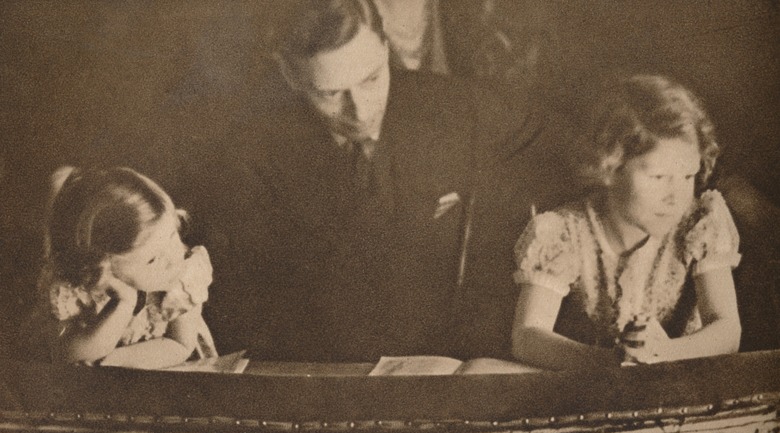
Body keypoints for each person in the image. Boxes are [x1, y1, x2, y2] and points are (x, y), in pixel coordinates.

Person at [200, 0, 578, 362]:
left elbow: (569, 161)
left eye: (371, 79)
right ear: (289, 75)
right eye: (331, 94)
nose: (360, 110)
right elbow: (246, 310)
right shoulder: (247, 153)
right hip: (326, 377)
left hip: (454, 363)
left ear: (385, 47)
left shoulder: (461, 108)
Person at [511, 74, 742, 370]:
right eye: (658, 177)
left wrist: (664, 353)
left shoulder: (698, 224)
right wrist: (610, 362)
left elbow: (727, 330)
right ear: (610, 167)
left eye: (688, 176)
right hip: (589, 385)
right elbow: (528, 336)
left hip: (681, 389)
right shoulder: (564, 232)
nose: (676, 197)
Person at [38, 166, 217, 369]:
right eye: (152, 260)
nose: (172, 259)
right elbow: (68, 356)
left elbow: (181, 343)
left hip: (166, 368)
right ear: (105, 268)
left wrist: (119, 360)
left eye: (172, 236)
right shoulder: (78, 289)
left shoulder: (184, 271)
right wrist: (123, 303)